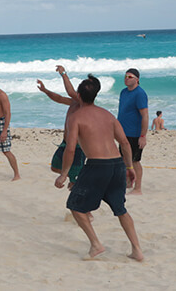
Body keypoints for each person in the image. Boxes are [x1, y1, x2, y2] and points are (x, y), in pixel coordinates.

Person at [55, 75, 144, 262]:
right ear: (96, 95)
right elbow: (125, 143)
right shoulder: (107, 115)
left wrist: (64, 175)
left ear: (78, 95)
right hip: (117, 164)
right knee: (121, 209)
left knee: (75, 206)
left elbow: (70, 149)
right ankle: (137, 250)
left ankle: (96, 244)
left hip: (97, 166)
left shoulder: (76, 117)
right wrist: (129, 166)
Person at [36, 65, 87, 187]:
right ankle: (72, 177)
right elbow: (59, 98)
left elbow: (70, 91)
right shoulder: (74, 102)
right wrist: (46, 91)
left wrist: (63, 73)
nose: (75, 93)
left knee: (74, 183)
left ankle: (75, 182)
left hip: (78, 146)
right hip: (65, 142)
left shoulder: (83, 104)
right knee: (55, 166)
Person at [118, 68, 148, 195]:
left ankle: (138, 188)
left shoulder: (140, 93)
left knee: (135, 161)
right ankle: (128, 183)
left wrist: (143, 136)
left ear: (137, 79)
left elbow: (145, 116)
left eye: (130, 77)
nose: (126, 79)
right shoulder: (123, 92)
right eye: (125, 76)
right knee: (124, 159)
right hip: (123, 132)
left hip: (135, 133)